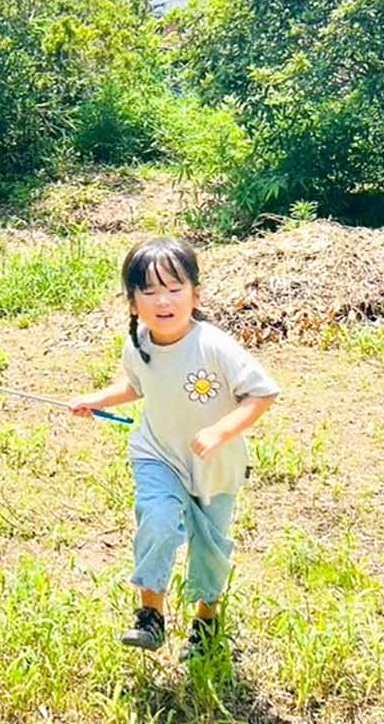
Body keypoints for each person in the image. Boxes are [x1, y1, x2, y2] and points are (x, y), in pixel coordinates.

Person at [70, 237, 279, 660]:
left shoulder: (214, 345)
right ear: (132, 303)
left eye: (173, 288)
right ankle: (150, 616)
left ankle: (206, 623)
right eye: (148, 291)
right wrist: (96, 400)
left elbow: (261, 395)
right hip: (158, 454)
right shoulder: (139, 342)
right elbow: (136, 385)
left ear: (195, 295)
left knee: (211, 547)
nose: (162, 300)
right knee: (158, 521)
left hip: (215, 467)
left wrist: (221, 430)